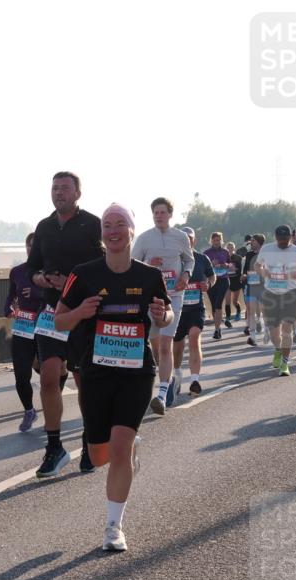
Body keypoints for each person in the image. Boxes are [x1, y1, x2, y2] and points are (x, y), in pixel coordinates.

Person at [55, 203, 172, 552]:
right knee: (99, 455)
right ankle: (128, 445)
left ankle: (113, 527)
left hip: (136, 372)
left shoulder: (149, 276)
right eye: (108, 225)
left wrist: (162, 315)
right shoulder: (83, 274)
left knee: (119, 448)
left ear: (131, 231)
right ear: (102, 234)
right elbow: (60, 320)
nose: (114, 230)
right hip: (96, 371)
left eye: (121, 224)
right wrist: (80, 311)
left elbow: (166, 314)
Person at [24, 171, 104, 477]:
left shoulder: (92, 224)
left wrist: (71, 281)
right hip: (50, 310)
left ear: (77, 194)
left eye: (65, 188)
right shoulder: (44, 226)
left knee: (84, 381)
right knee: (48, 377)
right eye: (55, 188)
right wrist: (41, 279)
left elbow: (103, 267)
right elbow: (32, 267)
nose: (59, 193)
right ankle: (54, 447)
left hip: (81, 312)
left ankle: (88, 441)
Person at [130, 197, 193, 414]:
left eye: (162, 212)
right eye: (155, 212)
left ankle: (162, 395)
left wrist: (186, 274)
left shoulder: (181, 237)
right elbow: (131, 265)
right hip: (151, 298)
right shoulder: (144, 238)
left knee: (166, 345)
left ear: (170, 214)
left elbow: (190, 260)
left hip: (173, 296)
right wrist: (148, 264)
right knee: (156, 347)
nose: (159, 216)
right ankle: (170, 380)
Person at [4, 233, 56, 432]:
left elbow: (60, 296)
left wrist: (37, 292)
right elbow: (11, 295)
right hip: (23, 327)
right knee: (20, 374)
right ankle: (29, 410)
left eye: (35, 246)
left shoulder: (52, 272)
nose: (31, 249)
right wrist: (8, 308)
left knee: (50, 374)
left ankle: (52, 407)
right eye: (28, 245)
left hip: (46, 327)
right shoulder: (17, 272)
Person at [254, 225, 296, 376]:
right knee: (274, 333)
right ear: (275, 237)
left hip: (289, 294)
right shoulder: (267, 249)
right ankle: (278, 350)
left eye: (286, 239)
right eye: (280, 239)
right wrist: (263, 272)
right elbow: (257, 265)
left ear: (290, 237)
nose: (283, 242)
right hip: (271, 294)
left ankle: (285, 364)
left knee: (287, 331)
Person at [171, 228, 215, 399]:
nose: (187, 241)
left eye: (189, 238)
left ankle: (195, 380)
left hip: (196, 307)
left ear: (194, 241)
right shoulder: (172, 257)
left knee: (194, 336)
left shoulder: (202, 258)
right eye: (184, 238)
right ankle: (177, 374)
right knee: (178, 347)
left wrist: (208, 284)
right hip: (177, 309)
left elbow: (212, 276)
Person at [203, 232, 231, 340]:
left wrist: (225, 265)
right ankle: (217, 327)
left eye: (218, 240)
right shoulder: (206, 253)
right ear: (211, 241)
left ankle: (217, 329)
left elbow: (230, 264)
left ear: (221, 241)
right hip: (211, 281)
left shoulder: (225, 252)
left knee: (218, 304)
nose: (216, 242)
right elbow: (203, 268)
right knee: (214, 305)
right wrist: (211, 264)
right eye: (214, 240)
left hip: (223, 280)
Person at [242, 234, 265, 346]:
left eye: (253, 241)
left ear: (259, 242)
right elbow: (245, 270)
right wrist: (244, 275)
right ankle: (252, 337)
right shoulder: (249, 254)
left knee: (263, 310)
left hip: (263, 286)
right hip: (251, 285)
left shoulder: (265, 254)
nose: (251, 243)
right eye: (251, 241)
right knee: (250, 310)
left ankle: (265, 329)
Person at [224, 241, 244, 325]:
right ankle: (228, 318)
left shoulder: (238, 258)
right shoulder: (224, 258)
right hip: (227, 281)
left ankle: (238, 312)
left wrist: (233, 268)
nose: (229, 249)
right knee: (227, 300)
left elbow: (240, 269)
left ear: (234, 249)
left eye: (231, 248)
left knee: (234, 301)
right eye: (228, 248)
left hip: (236, 281)